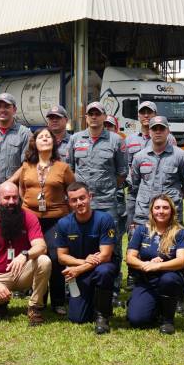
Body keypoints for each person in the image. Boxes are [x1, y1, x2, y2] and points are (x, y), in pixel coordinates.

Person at [66, 101, 128, 300]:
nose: (94, 117)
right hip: (81, 203)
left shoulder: (116, 141)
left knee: (112, 244)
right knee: (77, 242)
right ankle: (76, 285)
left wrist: (106, 188)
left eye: (97, 113)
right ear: (86, 117)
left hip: (107, 201)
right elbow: (71, 170)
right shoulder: (75, 139)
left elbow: (121, 173)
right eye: (90, 114)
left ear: (103, 117)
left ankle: (113, 289)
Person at [0, 182, 52, 325]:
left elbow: (41, 246)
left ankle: (34, 307)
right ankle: (0, 302)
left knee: (44, 261)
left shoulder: (28, 217)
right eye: (7, 198)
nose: (11, 202)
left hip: (22, 272)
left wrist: (24, 255)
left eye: (15, 198)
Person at [15, 127, 75, 314]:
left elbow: (71, 192)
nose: (45, 139)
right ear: (35, 142)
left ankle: (57, 301)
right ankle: (38, 297)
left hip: (56, 219)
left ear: (54, 142)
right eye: (41, 137)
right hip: (31, 219)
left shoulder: (62, 167)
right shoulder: (26, 166)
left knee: (55, 258)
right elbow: (22, 190)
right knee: (36, 257)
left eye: (48, 137)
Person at [51, 183, 119, 334]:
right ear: (69, 203)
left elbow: (106, 255)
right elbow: (62, 257)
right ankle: (94, 302)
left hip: (101, 267)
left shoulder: (104, 219)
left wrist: (79, 268)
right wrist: (83, 262)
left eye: (82, 198)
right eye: (74, 200)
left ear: (90, 197)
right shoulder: (63, 224)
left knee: (104, 271)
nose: (79, 203)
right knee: (78, 318)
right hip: (80, 272)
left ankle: (103, 316)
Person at [125, 194, 184, 335]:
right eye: (157, 208)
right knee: (137, 320)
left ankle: (168, 320)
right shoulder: (141, 230)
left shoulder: (180, 232)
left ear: (171, 211)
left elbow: (182, 260)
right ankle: (147, 304)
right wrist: (145, 264)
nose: (161, 211)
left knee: (169, 279)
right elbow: (130, 258)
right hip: (147, 281)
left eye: (165, 208)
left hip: (170, 280)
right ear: (152, 211)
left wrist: (159, 266)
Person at [128, 115, 184, 226]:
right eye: (154, 129)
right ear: (150, 131)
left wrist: (175, 197)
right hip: (144, 215)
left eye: (161, 129)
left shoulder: (181, 156)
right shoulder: (139, 157)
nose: (158, 132)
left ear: (168, 131)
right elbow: (134, 186)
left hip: (171, 215)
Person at [123, 102, 172, 228]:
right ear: (138, 116)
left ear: (155, 114)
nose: (146, 115)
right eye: (142, 112)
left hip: (160, 194)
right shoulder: (129, 140)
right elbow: (126, 165)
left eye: (149, 112)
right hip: (135, 194)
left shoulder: (168, 139)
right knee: (134, 231)